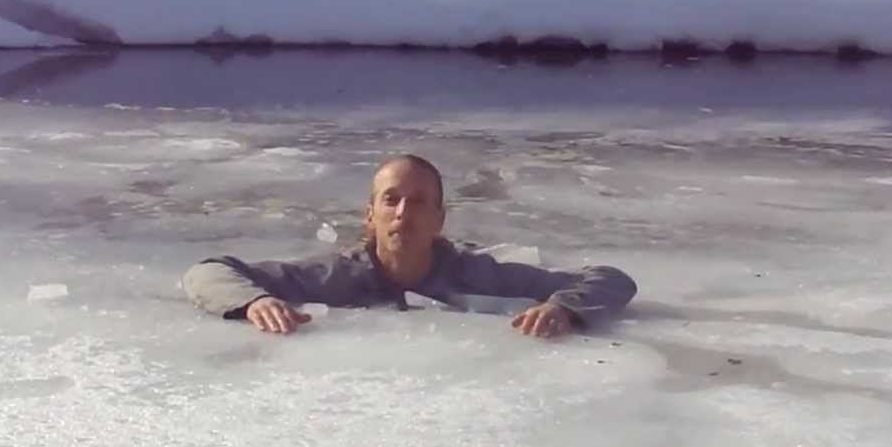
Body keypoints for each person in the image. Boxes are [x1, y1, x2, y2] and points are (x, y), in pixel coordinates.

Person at [182, 154, 637, 338]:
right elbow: (206, 271)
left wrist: (563, 307)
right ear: (370, 215)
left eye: (419, 203)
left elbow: (612, 279)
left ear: (439, 220)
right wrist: (255, 301)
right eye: (391, 200)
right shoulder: (333, 277)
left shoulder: (478, 274)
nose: (403, 213)